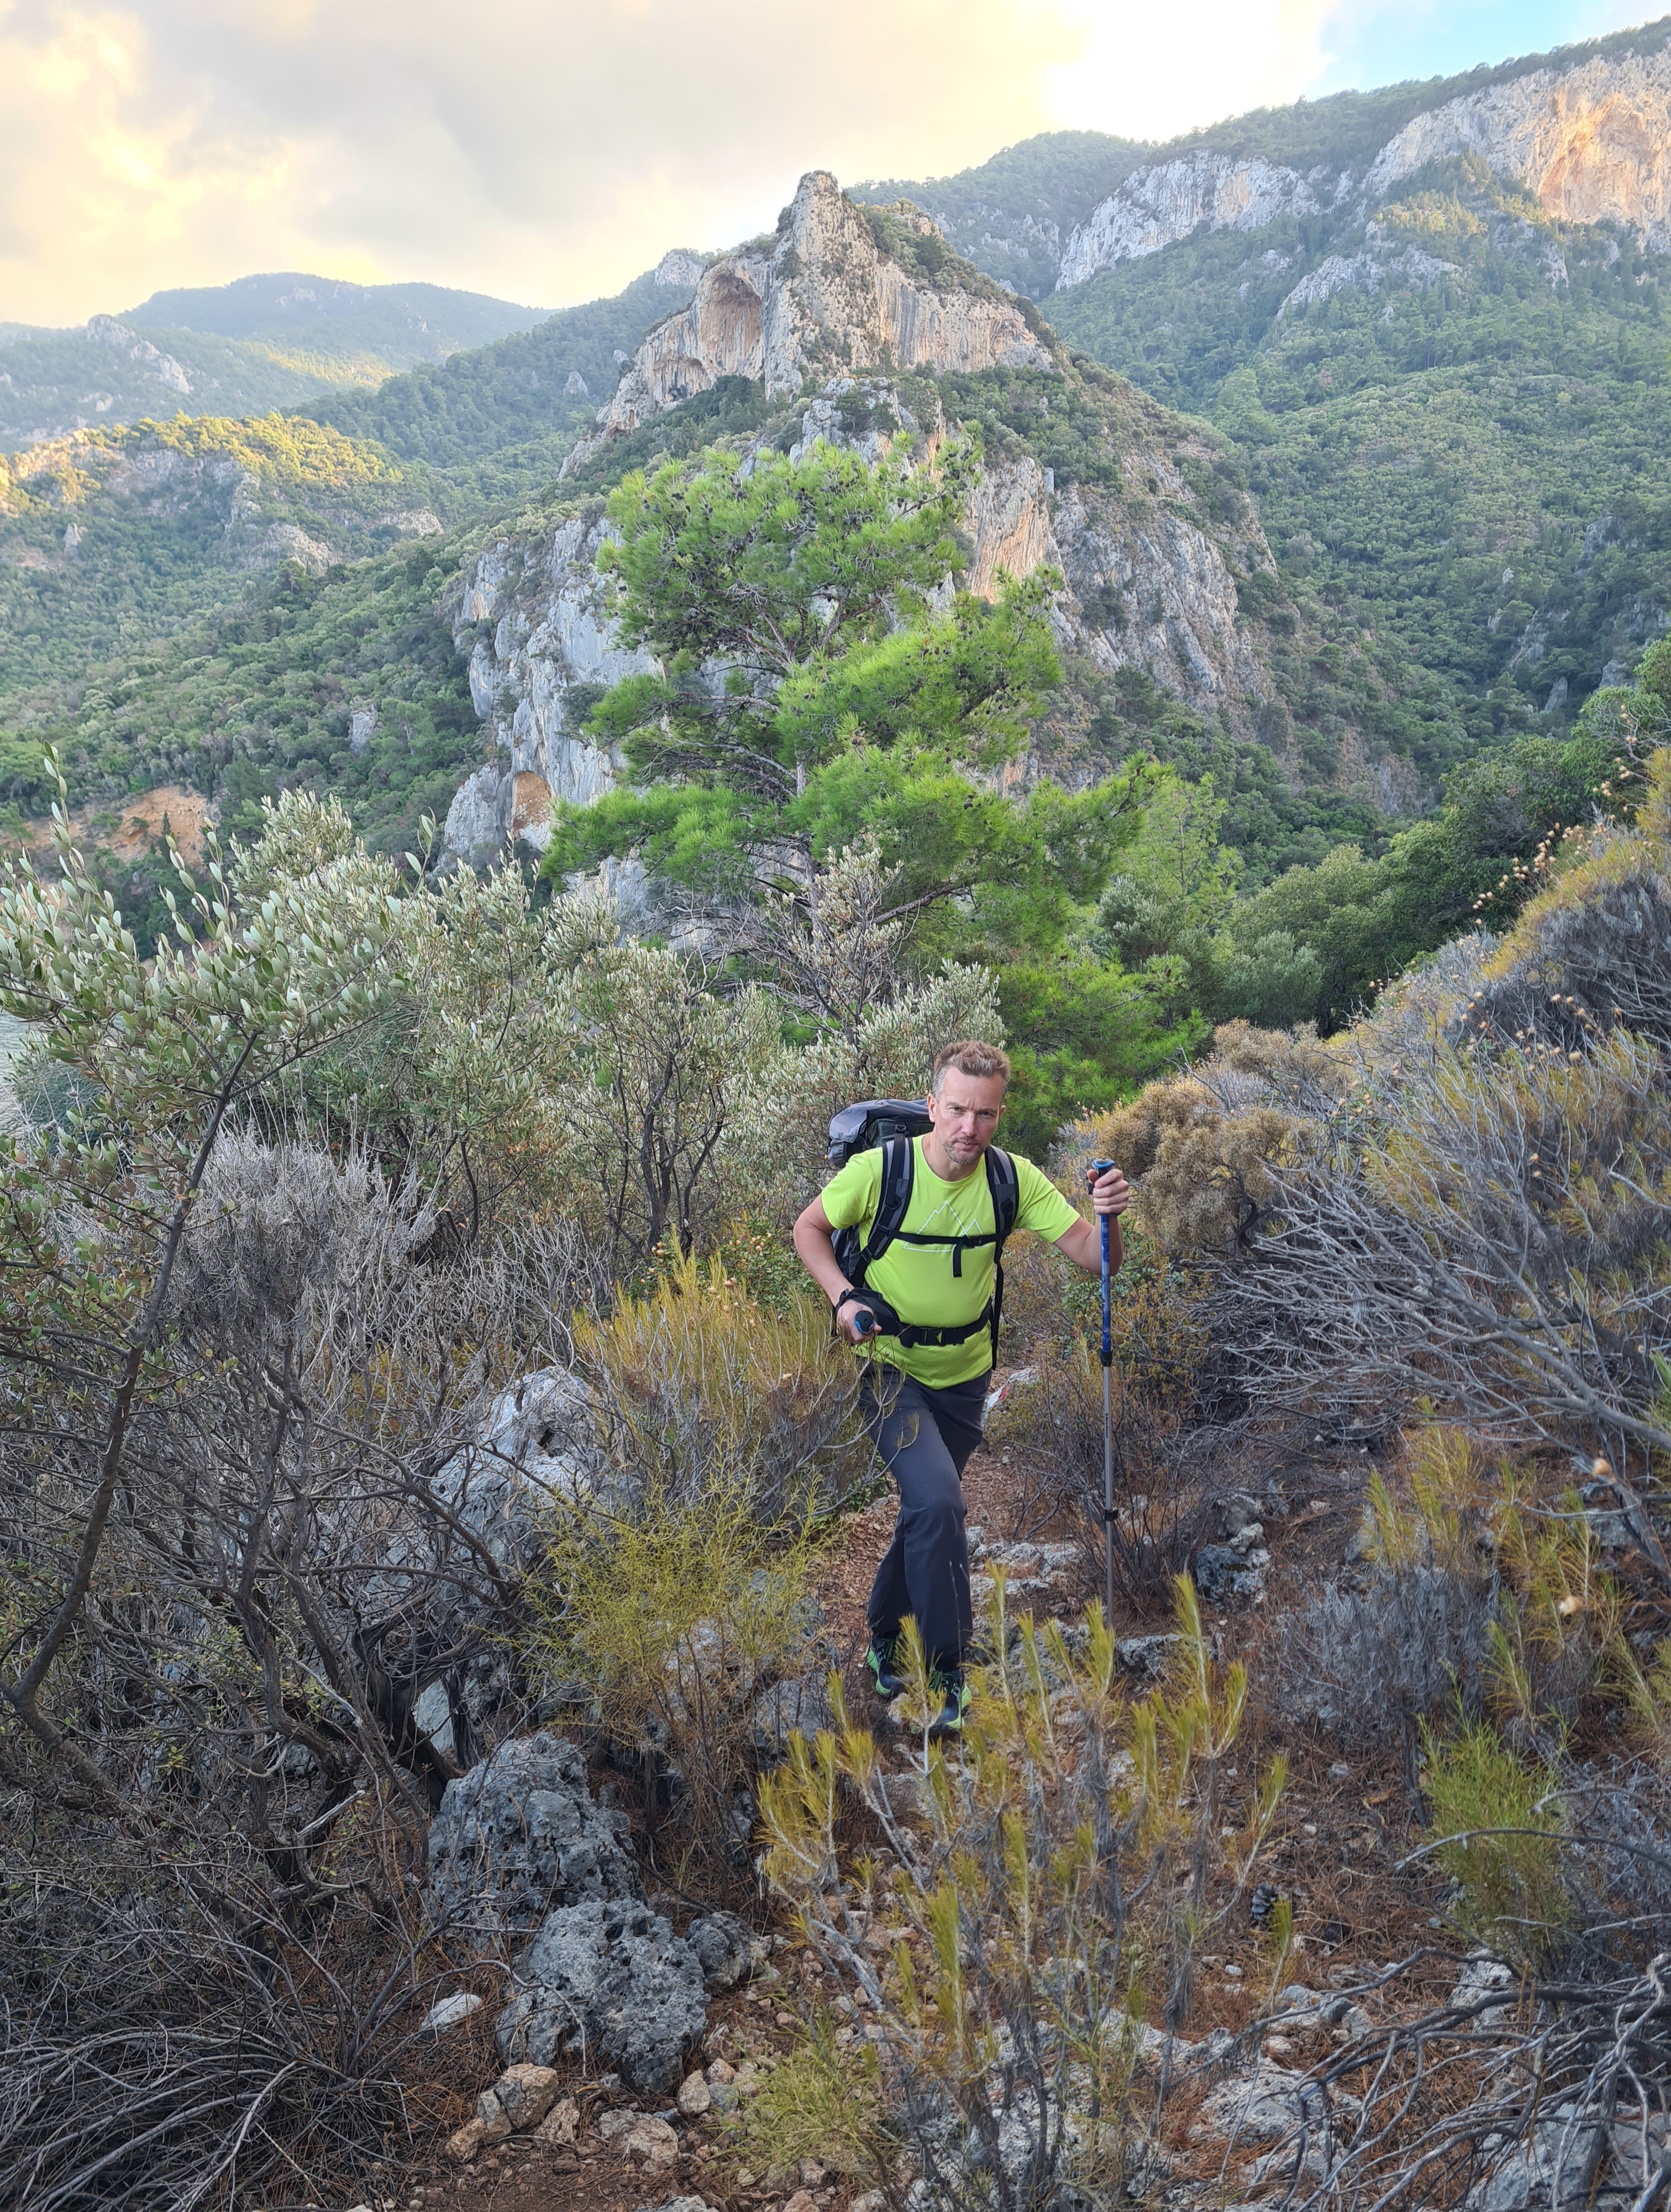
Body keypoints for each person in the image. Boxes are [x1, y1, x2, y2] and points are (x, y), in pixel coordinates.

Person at [793, 1038, 1130, 1737]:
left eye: (985, 1114)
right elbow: (810, 1229)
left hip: (967, 1378)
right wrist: (842, 1298)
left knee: (928, 1510)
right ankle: (946, 1671)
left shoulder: (1012, 1179)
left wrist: (1110, 1217)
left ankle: (884, 1634)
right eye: (956, 1110)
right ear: (931, 1106)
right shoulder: (882, 1171)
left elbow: (1096, 1260)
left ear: (999, 1114)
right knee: (940, 1502)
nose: (969, 1128)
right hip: (889, 1368)